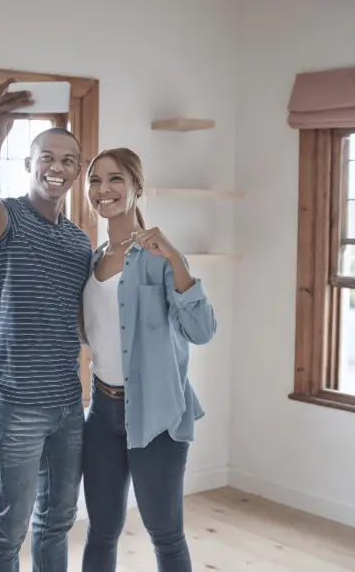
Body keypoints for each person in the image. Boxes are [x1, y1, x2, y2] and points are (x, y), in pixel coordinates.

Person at [0, 78, 93, 572]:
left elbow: (83, 324)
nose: (56, 168)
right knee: (7, 531)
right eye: (46, 157)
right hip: (14, 401)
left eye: (67, 161)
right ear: (29, 164)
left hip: (67, 404)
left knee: (58, 520)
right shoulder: (6, 220)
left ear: (78, 171)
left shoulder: (81, 242)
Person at [80, 147, 216, 572]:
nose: (104, 189)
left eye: (116, 179)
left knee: (165, 534)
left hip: (156, 415)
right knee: (100, 531)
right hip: (101, 413)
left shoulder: (159, 259)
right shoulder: (93, 258)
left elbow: (202, 331)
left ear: (137, 187)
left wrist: (175, 257)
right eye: (96, 180)